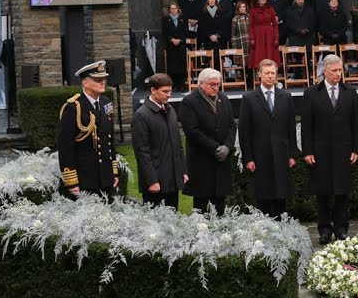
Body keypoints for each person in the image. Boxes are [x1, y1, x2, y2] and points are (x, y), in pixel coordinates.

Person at [302, 55, 358, 244]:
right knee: (322, 193)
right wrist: (308, 151)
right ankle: (324, 230)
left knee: (342, 192)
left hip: (344, 150)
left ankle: (341, 228)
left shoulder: (350, 92)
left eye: (340, 70)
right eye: (334, 70)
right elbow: (307, 125)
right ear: (325, 71)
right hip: (320, 152)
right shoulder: (312, 93)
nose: (338, 74)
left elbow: (354, 123)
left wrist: (356, 149)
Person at [238, 59, 299, 217]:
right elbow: (244, 131)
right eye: (267, 73)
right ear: (259, 75)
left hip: (281, 153)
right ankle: (265, 230)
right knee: (263, 196)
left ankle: (282, 229)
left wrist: (292, 154)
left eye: (273, 73)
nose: (270, 76)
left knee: (281, 195)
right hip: (260, 155)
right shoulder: (249, 98)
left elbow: (290, 128)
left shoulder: (285, 96)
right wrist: (248, 158)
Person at [178, 68, 235, 215]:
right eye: (212, 84)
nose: (216, 87)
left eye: (218, 84)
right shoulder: (189, 102)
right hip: (201, 161)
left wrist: (227, 147)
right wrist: (215, 148)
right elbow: (192, 131)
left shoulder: (224, 99)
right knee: (201, 206)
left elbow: (231, 125)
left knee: (220, 205)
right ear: (201, 84)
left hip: (221, 162)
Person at [58, 61, 119, 198]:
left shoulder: (105, 103)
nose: (103, 82)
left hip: (106, 178)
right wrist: (72, 181)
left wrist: (113, 171)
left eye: (104, 79)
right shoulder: (74, 108)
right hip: (85, 179)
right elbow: (66, 147)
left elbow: (109, 140)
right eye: (97, 80)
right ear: (85, 83)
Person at [131, 73, 188, 209]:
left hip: (172, 179)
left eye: (170, 91)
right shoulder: (141, 115)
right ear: (153, 90)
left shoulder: (170, 110)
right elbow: (142, 152)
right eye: (165, 91)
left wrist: (182, 171)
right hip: (155, 182)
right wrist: (151, 181)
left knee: (172, 221)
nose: (169, 95)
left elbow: (178, 144)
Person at [248, 0, 280, 76]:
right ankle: (259, 76)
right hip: (258, 35)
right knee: (259, 55)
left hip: (269, 35)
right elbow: (251, 26)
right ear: (258, 0)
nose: (263, 0)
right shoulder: (253, 10)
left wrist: (276, 37)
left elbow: (275, 24)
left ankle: (271, 75)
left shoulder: (271, 9)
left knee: (270, 55)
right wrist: (252, 38)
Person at [162, 2, 192, 91]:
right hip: (171, 46)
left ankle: (181, 84)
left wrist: (180, 39)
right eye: (172, 9)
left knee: (181, 65)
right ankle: (173, 85)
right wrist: (172, 39)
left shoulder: (183, 19)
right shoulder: (165, 20)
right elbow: (165, 32)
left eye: (175, 8)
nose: (174, 10)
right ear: (169, 10)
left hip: (181, 45)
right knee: (172, 65)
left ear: (178, 9)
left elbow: (186, 31)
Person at [229, 0, 251, 86]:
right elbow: (233, 34)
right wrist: (235, 46)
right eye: (240, 7)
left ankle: (250, 80)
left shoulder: (250, 17)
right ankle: (243, 80)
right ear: (238, 9)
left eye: (244, 7)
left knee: (250, 63)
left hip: (249, 43)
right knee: (242, 64)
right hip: (240, 43)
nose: (242, 8)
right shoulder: (235, 19)